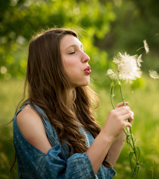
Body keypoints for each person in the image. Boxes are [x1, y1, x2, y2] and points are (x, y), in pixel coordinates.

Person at [12, 28, 134, 179]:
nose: (86, 57)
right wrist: (106, 135)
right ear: (46, 64)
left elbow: (97, 174)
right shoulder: (29, 117)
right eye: (72, 52)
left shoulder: (76, 111)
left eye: (82, 50)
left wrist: (118, 136)